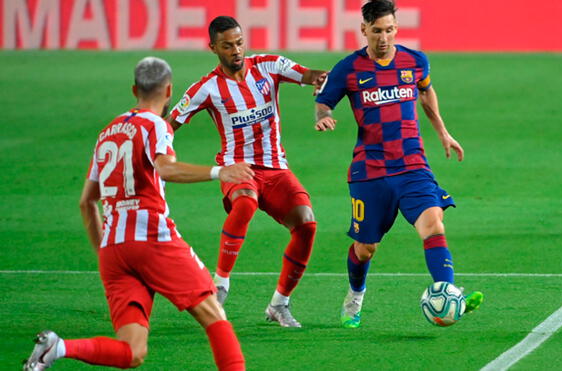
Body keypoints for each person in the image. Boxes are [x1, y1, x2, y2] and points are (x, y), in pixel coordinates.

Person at [23, 57, 252, 371]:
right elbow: (165, 168)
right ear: (169, 90)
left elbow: (86, 202)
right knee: (214, 313)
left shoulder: (107, 132)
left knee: (133, 351)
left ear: (134, 88)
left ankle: (57, 348)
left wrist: (106, 251)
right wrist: (219, 171)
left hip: (114, 250)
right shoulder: (155, 124)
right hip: (152, 237)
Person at [314, 0, 484, 328]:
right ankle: (355, 294)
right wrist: (324, 117)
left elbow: (426, 92)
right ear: (363, 29)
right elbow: (323, 101)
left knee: (433, 223)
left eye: (389, 29)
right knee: (366, 248)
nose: (383, 37)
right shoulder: (348, 69)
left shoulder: (415, 61)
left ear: (396, 28)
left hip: (412, 166)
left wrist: (444, 133)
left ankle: (448, 291)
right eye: (376, 30)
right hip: (371, 171)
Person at [168, 16, 326, 328]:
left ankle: (279, 304)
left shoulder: (268, 66)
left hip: (276, 169)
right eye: (227, 46)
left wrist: (323, 81)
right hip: (237, 169)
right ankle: (221, 284)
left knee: (306, 225)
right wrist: (157, 152)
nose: (236, 50)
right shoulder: (206, 88)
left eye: (239, 43)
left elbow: (311, 75)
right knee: (245, 202)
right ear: (213, 48)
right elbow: (168, 125)